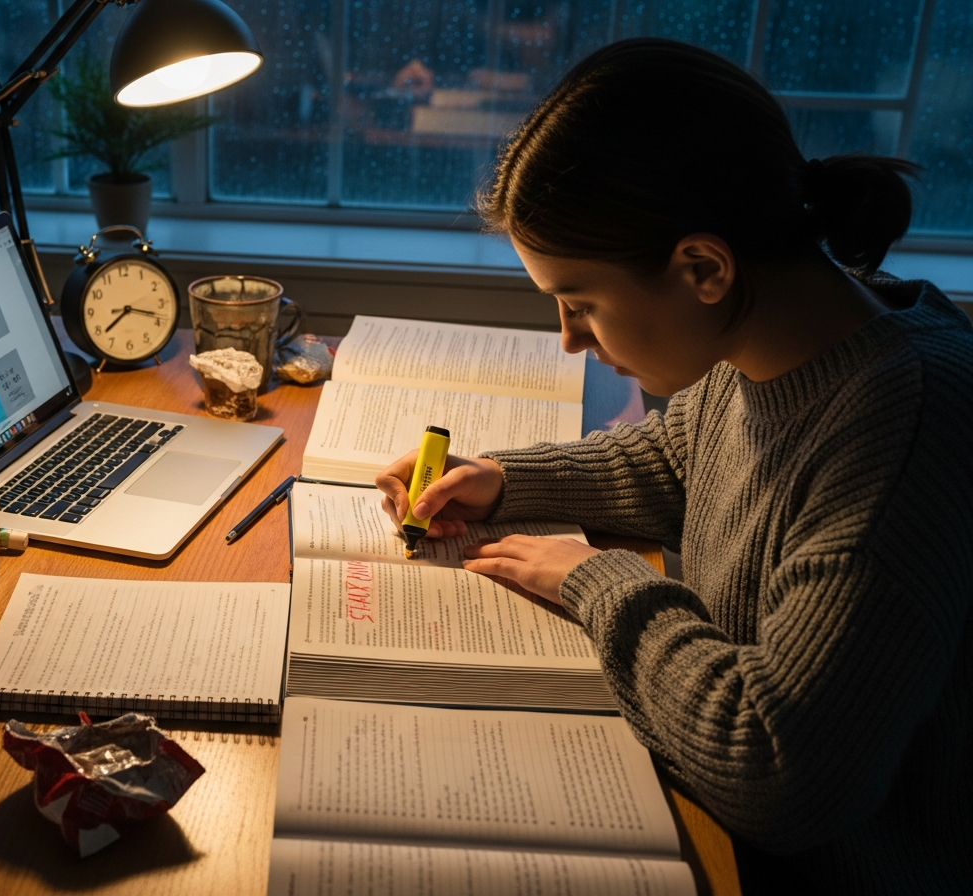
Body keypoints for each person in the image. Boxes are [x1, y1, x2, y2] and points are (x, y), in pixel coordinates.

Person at [376, 38, 971, 895]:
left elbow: (780, 774)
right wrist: (504, 479)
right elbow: (682, 456)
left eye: (580, 304)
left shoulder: (903, 432)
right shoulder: (783, 340)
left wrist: (598, 582)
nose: (571, 339)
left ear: (702, 267)